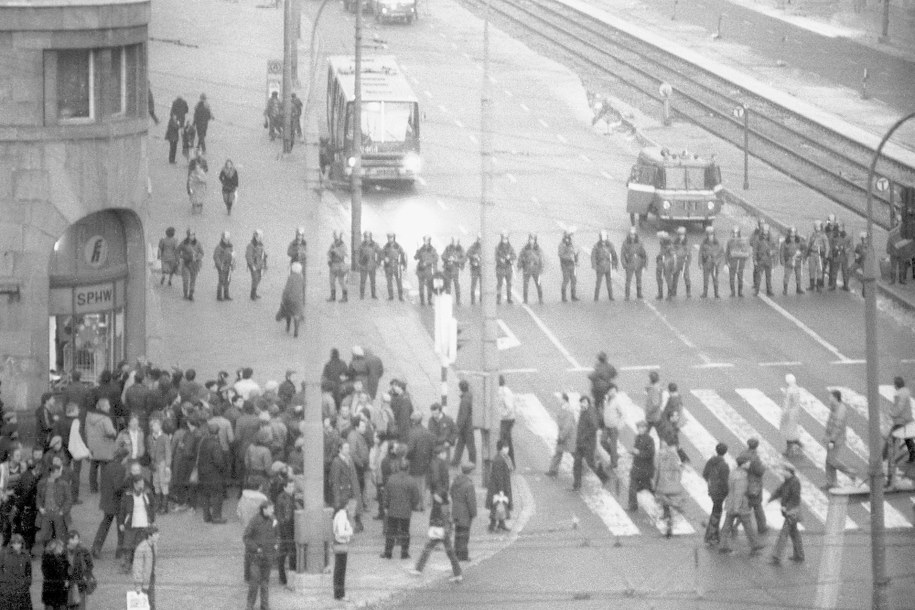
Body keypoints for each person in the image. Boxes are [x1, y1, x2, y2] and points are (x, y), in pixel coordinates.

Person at [718, 455, 764, 556]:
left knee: (727, 525)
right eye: (747, 463)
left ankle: (722, 545)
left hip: (731, 502)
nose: (749, 464)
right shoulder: (742, 476)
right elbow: (739, 493)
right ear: (743, 464)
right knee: (747, 526)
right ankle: (754, 546)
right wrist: (737, 508)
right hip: (740, 505)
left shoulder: (733, 472)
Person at [410, 501, 462, 583]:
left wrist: (440, 527)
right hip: (442, 530)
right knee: (449, 552)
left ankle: (418, 569)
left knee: (429, 548)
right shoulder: (442, 502)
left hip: (440, 530)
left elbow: (444, 518)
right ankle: (458, 573)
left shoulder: (441, 503)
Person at [91, 446, 127, 559]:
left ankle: (96, 547)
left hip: (107, 499)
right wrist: (127, 486)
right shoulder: (121, 468)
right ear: (123, 458)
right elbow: (118, 487)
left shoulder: (107, 466)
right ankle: (120, 550)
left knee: (105, 524)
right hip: (117, 502)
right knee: (120, 526)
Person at [381, 460, 419, 559]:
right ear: (408, 468)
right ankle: (404, 553)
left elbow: (386, 494)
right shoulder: (411, 480)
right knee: (405, 532)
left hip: (393, 510)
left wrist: (385, 506)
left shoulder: (391, 479)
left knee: (391, 531)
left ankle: (388, 553)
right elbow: (416, 497)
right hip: (406, 511)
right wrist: (413, 506)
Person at [243, 500, 277, 610]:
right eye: (271, 508)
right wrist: (256, 548)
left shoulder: (273, 519)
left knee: (265, 583)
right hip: (256, 558)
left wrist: (276, 544)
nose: (273, 510)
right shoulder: (254, 521)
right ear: (264, 509)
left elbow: (277, 534)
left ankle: (265, 606)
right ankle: (250, 605)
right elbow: (246, 538)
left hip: (268, 556)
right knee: (254, 582)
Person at [769, 465, 804, 565]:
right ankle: (799, 555)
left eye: (784, 471)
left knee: (783, 534)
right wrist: (770, 499)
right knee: (794, 533)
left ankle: (776, 556)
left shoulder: (795, 482)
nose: (782, 472)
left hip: (791, 512)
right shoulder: (787, 481)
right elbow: (779, 491)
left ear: (790, 472)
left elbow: (795, 497)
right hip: (789, 511)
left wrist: (787, 507)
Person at [119, 475, 155, 572]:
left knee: (142, 545)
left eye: (143, 482)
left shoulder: (147, 492)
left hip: (144, 522)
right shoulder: (128, 494)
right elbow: (122, 509)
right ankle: (127, 565)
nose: (142, 485)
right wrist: (121, 522)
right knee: (128, 545)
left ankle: (140, 565)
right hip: (132, 522)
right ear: (135, 484)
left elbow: (152, 506)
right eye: (140, 483)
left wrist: (152, 520)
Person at [824, 390, 859, 488]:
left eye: (830, 397)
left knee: (831, 460)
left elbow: (837, 427)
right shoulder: (835, 407)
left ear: (835, 398)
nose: (829, 398)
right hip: (831, 437)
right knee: (829, 461)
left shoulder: (841, 411)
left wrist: (832, 440)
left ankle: (850, 472)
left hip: (836, 439)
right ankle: (831, 482)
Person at [573, 396, 608, 491]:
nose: (582, 404)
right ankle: (576, 485)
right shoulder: (583, 411)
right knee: (577, 463)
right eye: (581, 402)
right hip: (580, 443)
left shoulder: (590, 413)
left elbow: (594, 427)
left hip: (587, 444)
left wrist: (584, 436)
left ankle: (603, 477)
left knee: (591, 463)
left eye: (584, 402)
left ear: (588, 403)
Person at [85, 398, 116, 495]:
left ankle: (93, 488)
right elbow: (110, 432)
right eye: (107, 405)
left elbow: (86, 431)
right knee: (104, 467)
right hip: (104, 446)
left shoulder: (89, 417)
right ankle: (104, 488)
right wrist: (115, 433)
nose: (109, 407)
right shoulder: (105, 418)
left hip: (92, 445)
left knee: (93, 466)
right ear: (103, 407)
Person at [198, 420, 228, 523]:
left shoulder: (203, 441)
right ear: (218, 432)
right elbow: (219, 461)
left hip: (202, 472)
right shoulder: (215, 444)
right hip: (213, 474)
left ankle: (206, 516)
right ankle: (216, 517)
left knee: (205, 495)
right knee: (217, 495)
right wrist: (223, 469)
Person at [406, 412, 435, 512]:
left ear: (413, 421)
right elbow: (432, 448)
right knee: (423, 484)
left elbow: (410, 449)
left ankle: (417, 505)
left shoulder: (412, 432)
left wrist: (406, 458)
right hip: (425, 462)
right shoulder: (427, 432)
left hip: (414, 462)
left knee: (416, 484)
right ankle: (422, 505)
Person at [701, 442, 729, 544]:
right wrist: (727, 492)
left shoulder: (711, 461)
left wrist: (711, 483)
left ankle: (714, 534)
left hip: (712, 490)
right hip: (720, 492)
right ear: (725, 452)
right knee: (717, 512)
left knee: (716, 510)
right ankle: (711, 536)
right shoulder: (724, 465)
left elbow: (705, 474)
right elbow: (725, 481)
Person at [37, 462, 71, 545]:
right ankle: (47, 552)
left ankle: (61, 552)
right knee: (44, 534)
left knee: (60, 535)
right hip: (46, 512)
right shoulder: (42, 483)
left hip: (58, 513)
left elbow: (68, 499)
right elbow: (39, 497)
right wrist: (40, 508)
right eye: (57, 472)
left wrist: (62, 511)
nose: (59, 473)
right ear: (51, 473)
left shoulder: (63, 484)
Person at [654, 441, 684, 538]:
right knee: (669, 502)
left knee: (665, 501)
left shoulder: (660, 457)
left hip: (663, 484)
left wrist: (655, 484)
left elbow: (657, 471)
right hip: (672, 484)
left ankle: (668, 520)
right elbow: (679, 470)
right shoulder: (675, 457)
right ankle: (669, 520)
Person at [739, 438, 767, 535]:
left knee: (744, 506)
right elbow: (759, 471)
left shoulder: (742, 454)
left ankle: (734, 526)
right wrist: (763, 467)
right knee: (757, 506)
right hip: (754, 484)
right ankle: (762, 527)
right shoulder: (755, 457)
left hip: (743, 481)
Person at [450, 462, 477, 561]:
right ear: (470, 472)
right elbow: (471, 502)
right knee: (464, 535)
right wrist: (473, 513)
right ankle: (463, 556)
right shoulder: (469, 485)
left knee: (457, 532)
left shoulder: (456, 481)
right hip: (465, 513)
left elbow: (451, 493)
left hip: (456, 511)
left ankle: (456, 553)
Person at [546, 393, 577, 478]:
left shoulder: (569, 410)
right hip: (563, 434)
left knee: (573, 452)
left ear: (564, 400)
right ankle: (553, 470)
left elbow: (567, 425)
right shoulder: (563, 408)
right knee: (558, 452)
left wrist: (562, 436)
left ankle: (583, 468)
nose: (558, 400)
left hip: (568, 436)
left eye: (560, 399)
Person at [887, 376, 915, 464]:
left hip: (901, 421)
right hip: (908, 419)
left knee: (894, 439)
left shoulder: (899, 394)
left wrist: (892, 413)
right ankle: (913, 455)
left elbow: (899, 407)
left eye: (894, 384)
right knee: (908, 439)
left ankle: (892, 459)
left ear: (896, 385)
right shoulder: (905, 392)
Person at [486, 440, 513, 532]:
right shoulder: (499, 460)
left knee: (500, 505)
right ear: (501, 448)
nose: (507, 449)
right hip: (498, 487)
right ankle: (493, 526)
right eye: (505, 447)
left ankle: (500, 524)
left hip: (499, 486)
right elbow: (499, 476)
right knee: (497, 505)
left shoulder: (502, 458)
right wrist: (501, 489)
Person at [628, 420, 655, 512]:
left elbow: (651, 453)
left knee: (646, 487)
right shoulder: (638, 437)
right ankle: (633, 507)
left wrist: (638, 452)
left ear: (645, 428)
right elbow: (636, 450)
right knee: (634, 487)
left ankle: (660, 503)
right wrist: (633, 452)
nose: (640, 430)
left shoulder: (650, 440)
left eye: (642, 428)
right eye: (639, 428)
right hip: (638, 468)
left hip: (644, 469)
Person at [274, 478, 296, 590]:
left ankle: (282, 577)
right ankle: (291, 580)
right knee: (292, 553)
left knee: (282, 554)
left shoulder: (281, 497)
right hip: (288, 528)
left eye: (293, 486)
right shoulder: (286, 499)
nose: (293, 488)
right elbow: (288, 516)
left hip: (282, 528)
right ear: (285, 487)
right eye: (291, 486)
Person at [146, 416, 171, 515]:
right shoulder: (149, 437)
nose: (153, 428)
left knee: (164, 483)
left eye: (155, 426)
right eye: (152, 426)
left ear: (160, 426)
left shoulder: (165, 437)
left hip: (162, 463)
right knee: (156, 483)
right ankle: (158, 504)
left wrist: (168, 466)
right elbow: (149, 449)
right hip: (155, 464)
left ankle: (164, 507)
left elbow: (168, 452)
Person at [0, 533, 31, 609]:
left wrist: (27, 582)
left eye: (18, 543)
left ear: (22, 543)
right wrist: (3, 582)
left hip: (22, 589)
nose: (16, 545)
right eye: (14, 543)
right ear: (11, 544)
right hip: (8, 589)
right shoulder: (4, 555)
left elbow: (29, 571)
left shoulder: (26, 555)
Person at [66, 530, 95, 610]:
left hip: (80, 583)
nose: (76, 541)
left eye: (77, 539)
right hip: (69, 584)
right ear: (69, 540)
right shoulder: (63, 551)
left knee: (80, 605)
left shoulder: (83, 550)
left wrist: (86, 575)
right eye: (74, 539)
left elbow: (90, 565)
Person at [276, 262, 306, 338]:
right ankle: (296, 331)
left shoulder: (290, 277)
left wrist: (283, 298)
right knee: (296, 315)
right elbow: (303, 288)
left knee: (288, 312)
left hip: (290, 298)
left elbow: (287, 289)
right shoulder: (302, 278)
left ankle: (288, 327)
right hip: (298, 299)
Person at [332, 500, 354, 602]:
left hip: (338, 543)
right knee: (341, 570)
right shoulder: (342, 515)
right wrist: (350, 532)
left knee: (339, 569)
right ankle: (340, 594)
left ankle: (338, 593)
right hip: (341, 543)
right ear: (346, 505)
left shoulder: (339, 514)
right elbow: (341, 532)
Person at [133, 526, 159, 610]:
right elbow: (137, 567)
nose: (158, 536)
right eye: (156, 534)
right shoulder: (141, 548)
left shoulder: (154, 545)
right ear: (150, 536)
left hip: (151, 578)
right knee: (143, 605)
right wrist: (138, 584)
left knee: (151, 603)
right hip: (143, 581)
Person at [451, 381, 476, 466]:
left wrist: (458, 427)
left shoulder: (464, 400)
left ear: (460, 389)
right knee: (461, 444)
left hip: (466, 427)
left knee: (468, 445)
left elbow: (463, 416)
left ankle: (471, 462)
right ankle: (456, 461)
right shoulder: (469, 396)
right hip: (468, 425)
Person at [41, 538, 69, 610]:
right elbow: (50, 575)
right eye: (60, 547)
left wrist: (67, 579)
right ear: (54, 549)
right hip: (52, 591)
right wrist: (64, 582)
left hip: (60, 592)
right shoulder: (48, 560)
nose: (62, 549)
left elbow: (68, 570)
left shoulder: (62, 558)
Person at [516, 232, 544, 305]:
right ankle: (525, 300)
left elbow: (541, 259)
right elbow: (521, 257)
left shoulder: (537, 249)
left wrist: (541, 268)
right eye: (530, 239)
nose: (532, 241)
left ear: (535, 240)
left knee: (538, 284)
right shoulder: (525, 249)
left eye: (533, 239)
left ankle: (540, 299)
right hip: (527, 268)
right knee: (525, 285)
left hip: (535, 268)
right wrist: (519, 266)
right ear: (528, 240)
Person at [591, 230, 618, 301]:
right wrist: (594, 265)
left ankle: (611, 296)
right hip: (600, 266)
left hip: (608, 266)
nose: (603, 241)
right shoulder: (597, 246)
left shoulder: (610, 245)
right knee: (598, 283)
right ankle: (596, 297)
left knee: (609, 282)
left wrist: (615, 265)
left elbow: (614, 255)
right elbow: (593, 256)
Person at [621, 226, 647, 300]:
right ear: (629, 234)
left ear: (636, 235)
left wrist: (644, 265)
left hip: (638, 264)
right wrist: (624, 264)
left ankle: (639, 294)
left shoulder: (640, 242)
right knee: (628, 280)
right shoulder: (625, 243)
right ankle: (627, 295)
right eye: (631, 234)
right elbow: (622, 254)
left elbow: (644, 254)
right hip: (629, 263)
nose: (632, 236)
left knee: (639, 279)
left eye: (634, 234)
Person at [601, 385, 623, 471]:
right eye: (610, 391)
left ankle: (614, 464)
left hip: (614, 427)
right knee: (602, 441)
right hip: (607, 426)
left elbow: (623, 414)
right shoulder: (607, 400)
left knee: (613, 445)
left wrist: (618, 425)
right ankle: (615, 455)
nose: (612, 392)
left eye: (614, 391)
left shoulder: (617, 401)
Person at [177, 230, 204, 301]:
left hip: (195, 264)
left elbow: (202, 253)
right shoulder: (184, 243)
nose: (192, 236)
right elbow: (177, 251)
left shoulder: (198, 243)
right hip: (186, 263)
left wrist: (198, 257)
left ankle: (191, 294)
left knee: (193, 280)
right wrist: (182, 256)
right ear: (188, 235)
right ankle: (185, 294)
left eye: (193, 235)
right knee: (185, 280)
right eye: (191, 235)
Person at [781, 374, 803, 457]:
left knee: (788, 431)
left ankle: (789, 450)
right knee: (792, 429)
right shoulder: (796, 388)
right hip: (796, 412)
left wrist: (784, 414)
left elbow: (787, 404)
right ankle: (797, 442)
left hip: (789, 413)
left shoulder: (790, 390)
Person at [699, 225, 723, 298]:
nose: (710, 236)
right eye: (709, 234)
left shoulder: (717, 242)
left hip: (714, 263)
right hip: (706, 262)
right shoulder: (704, 243)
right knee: (705, 278)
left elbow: (721, 253)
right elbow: (700, 253)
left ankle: (716, 293)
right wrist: (700, 263)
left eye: (712, 234)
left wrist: (718, 262)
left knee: (715, 278)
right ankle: (705, 293)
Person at [725, 226, 750, 297]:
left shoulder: (742, 241)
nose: (735, 234)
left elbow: (745, 252)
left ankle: (740, 292)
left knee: (740, 278)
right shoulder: (729, 241)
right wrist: (727, 262)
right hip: (732, 262)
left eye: (736, 233)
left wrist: (744, 261)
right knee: (732, 279)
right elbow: (727, 252)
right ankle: (732, 292)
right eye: (734, 233)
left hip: (740, 262)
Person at [780, 226, 806, 295]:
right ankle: (785, 289)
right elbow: (782, 252)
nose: (793, 234)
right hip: (789, 260)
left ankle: (798, 288)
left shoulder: (799, 241)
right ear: (789, 233)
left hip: (798, 260)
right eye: (791, 232)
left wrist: (802, 257)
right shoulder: (785, 242)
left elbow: (804, 249)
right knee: (787, 276)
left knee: (798, 275)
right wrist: (782, 261)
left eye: (794, 232)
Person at [382, 233, 407, 301]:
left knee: (399, 282)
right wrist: (385, 258)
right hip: (388, 266)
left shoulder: (398, 246)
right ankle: (391, 296)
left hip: (397, 265)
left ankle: (401, 296)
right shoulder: (386, 246)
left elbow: (403, 255)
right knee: (389, 281)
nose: (390, 239)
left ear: (394, 238)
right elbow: (382, 254)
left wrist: (404, 265)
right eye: (389, 238)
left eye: (391, 237)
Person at [357, 231, 382, 300]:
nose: (366, 238)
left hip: (372, 266)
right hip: (363, 266)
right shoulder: (362, 245)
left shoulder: (374, 245)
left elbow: (380, 253)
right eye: (365, 237)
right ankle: (362, 295)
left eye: (367, 237)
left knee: (373, 281)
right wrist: (358, 263)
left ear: (370, 237)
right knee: (362, 281)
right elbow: (357, 254)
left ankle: (373, 295)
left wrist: (378, 263)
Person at [497, 376, 516, 466]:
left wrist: (501, 415)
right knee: (507, 440)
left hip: (506, 420)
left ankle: (507, 463)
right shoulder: (505, 390)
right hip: (508, 419)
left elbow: (509, 407)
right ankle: (511, 463)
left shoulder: (503, 392)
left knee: (503, 440)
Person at [414, 235, 438, 306]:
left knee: (429, 286)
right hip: (421, 270)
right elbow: (416, 257)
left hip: (428, 269)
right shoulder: (421, 249)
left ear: (429, 241)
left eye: (427, 240)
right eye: (425, 240)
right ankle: (422, 301)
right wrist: (417, 250)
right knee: (421, 286)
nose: (426, 242)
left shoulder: (432, 249)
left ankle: (429, 300)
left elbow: (436, 259)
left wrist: (427, 262)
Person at [806, 221, 830, 292]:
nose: (817, 228)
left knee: (820, 270)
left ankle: (819, 286)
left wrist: (825, 256)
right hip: (812, 254)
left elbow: (827, 247)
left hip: (819, 255)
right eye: (816, 227)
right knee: (811, 270)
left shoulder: (823, 236)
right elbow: (809, 244)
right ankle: (812, 285)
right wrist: (806, 253)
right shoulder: (813, 235)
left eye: (819, 226)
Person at [442, 236, 466, 305]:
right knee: (448, 286)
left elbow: (464, 258)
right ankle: (448, 301)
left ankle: (458, 300)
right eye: (453, 242)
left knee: (457, 286)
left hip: (456, 270)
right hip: (448, 269)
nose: (455, 243)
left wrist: (456, 260)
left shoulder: (460, 249)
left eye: (456, 242)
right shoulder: (448, 248)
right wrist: (448, 259)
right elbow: (443, 256)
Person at [244, 230, 268, 301]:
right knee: (255, 279)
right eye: (258, 237)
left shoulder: (260, 245)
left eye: (261, 237)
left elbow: (262, 254)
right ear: (255, 237)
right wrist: (252, 265)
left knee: (259, 278)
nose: (260, 238)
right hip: (254, 265)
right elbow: (248, 256)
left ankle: (254, 292)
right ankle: (252, 294)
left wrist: (264, 260)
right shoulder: (251, 245)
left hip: (259, 265)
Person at [213, 231, 236, 302]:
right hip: (222, 266)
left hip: (228, 265)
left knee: (228, 280)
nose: (227, 240)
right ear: (222, 238)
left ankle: (226, 295)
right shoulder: (219, 247)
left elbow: (232, 256)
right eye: (226, 239)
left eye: (228, 239)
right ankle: (219, 296)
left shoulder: (230, 246)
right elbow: (216, 257)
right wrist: (220, 266)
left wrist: (233, 265)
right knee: (221, 280)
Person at [495, 231, 516, 304]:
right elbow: (495, 256)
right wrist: (500, 259)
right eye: (503, 239)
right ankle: (498, 299)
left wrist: (509, 257)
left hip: (508, 268)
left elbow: (514, 256)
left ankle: (509, 298)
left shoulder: (510, 247)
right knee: (499, 284)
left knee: (509, 283)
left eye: (506, 239)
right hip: (500, 268)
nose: (505, 240)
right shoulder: (498, 248)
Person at [327, 231, 349, 303]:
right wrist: (329, 259)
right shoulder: (333, 244)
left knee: (341, 281)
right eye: (334, 237)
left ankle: (345, 297)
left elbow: (343, 255)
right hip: (333, 265)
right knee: (331, 281)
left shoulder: (343, 246)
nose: (335, 238)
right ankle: (333, 296)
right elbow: (329, 253)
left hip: (340, 265)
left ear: (340, 237)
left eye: (336, 237)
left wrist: (335, 250)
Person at [558, 230, 579, 302]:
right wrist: (569, 257)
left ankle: (573, 296)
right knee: (566, 280)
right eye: (567, 237)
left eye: (569, 237)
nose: (568, 239)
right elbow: (561, 255)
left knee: (573, 280)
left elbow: (574, 253)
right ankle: (563, 297)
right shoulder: (562, 245)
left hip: (572, 265)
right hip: (565, 265)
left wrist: (576, 259)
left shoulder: (570, 244)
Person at [671, 226, 692, 298]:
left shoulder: (687, 243)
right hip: (677, 261)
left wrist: (687, 263)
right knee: (675, 277)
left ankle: (688, 292)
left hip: (684, 262)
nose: (681, 236)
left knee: (686, 277)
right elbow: (672, 249)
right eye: (680, 235)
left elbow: (688, 253)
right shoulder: (675, 242)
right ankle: (674, 291)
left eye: (682, 235)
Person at [467, 235, 482, 305]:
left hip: (481, 267)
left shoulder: (485, 246)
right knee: (474, 284)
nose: (480, 240)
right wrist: (474, 256)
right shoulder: (473, 246)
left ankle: (482, 298)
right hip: (474, 268)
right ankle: (472, 300)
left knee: (482, 284)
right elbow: (468, 253)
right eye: (479, 239)